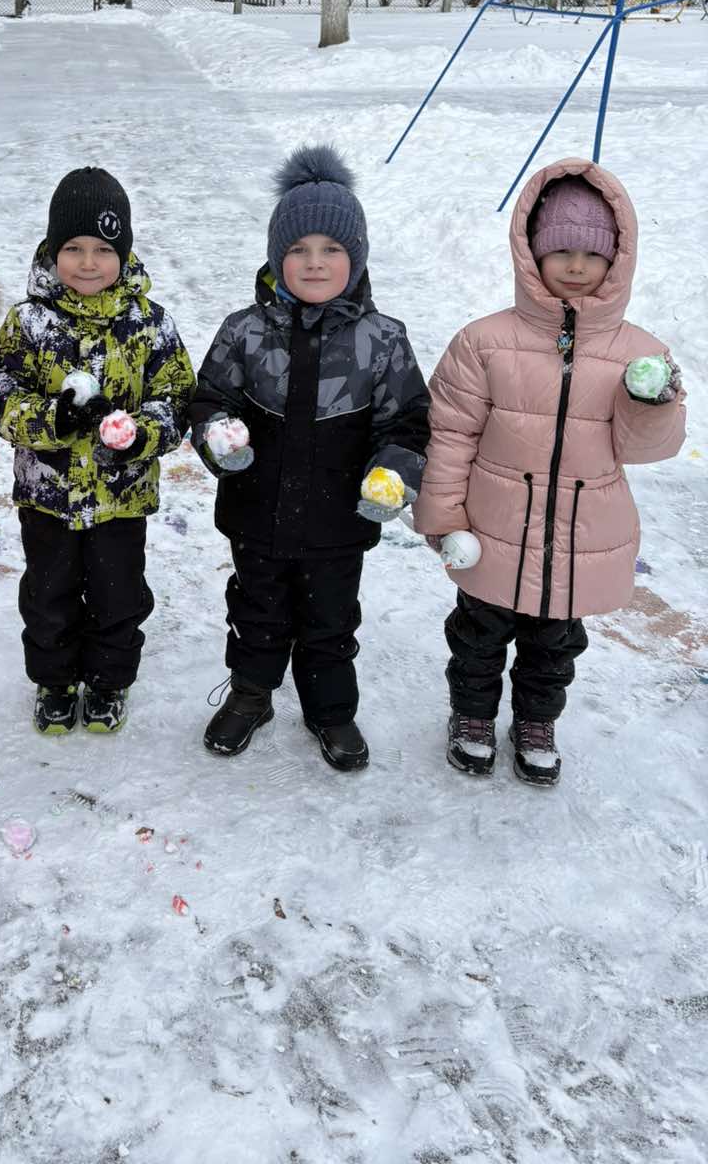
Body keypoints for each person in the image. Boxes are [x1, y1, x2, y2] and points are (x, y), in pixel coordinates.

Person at [414, 159, 686, 786]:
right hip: (493, 531)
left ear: (615, 261)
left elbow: (648, 448)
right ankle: (473, 718)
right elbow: (450, 435)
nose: (574, 265)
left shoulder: (639, 351)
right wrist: (442, 518)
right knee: (477, 640)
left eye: (591, 254)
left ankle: (537, 722)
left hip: (577, 539)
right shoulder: (484, 342)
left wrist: (652, 402)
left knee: (553, 649)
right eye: (559, 249)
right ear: (530, 252)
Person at [190, 145, 431, 771]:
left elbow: (408, 421)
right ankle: (250, 694)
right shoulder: (243, 330)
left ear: (356, 258)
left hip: (337, 519)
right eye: (298, 250)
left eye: (331, 250)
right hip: (257, 508)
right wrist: (220, 435)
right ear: (277, 257)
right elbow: (209, 397)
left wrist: (393, 472)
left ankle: (331, 712)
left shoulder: (383, 339)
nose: (314, 263)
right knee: (255, 607)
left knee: (329, 620)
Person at [0, 166, 195, 735]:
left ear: (124, 254)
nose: (86, 262)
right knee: (48, 592)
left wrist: (140, 435)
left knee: (118, 593)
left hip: (121, 497)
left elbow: (177, 396)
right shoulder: (27, 322)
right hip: (47, 494)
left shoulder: (150, 324)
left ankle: (108, 681)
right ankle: (54, 679)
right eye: (72, 248)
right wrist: (51, 418)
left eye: (103, 249)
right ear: (52, 250)